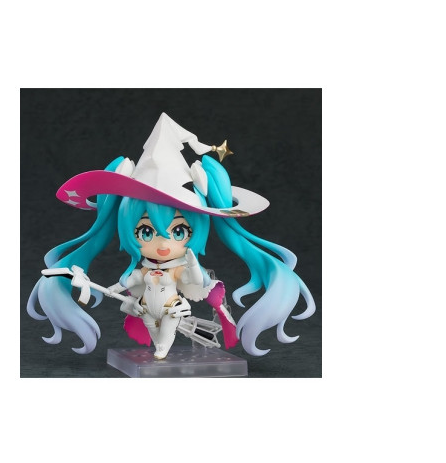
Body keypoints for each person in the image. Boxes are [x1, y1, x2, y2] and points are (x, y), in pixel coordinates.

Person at [27, 113, 315, 358]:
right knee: (151, 326)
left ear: (195, 231)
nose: (163, 244)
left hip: (172, 308)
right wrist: (109, 286)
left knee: (166, 329)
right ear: (129, 232)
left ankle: (163, 346)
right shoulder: (144, 269)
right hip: (146, 309)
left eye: (179, 231)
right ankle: (159, 345)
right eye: (146, 232)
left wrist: (192, 267)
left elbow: (197, 283)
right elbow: (128, 282)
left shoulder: (179, 267)